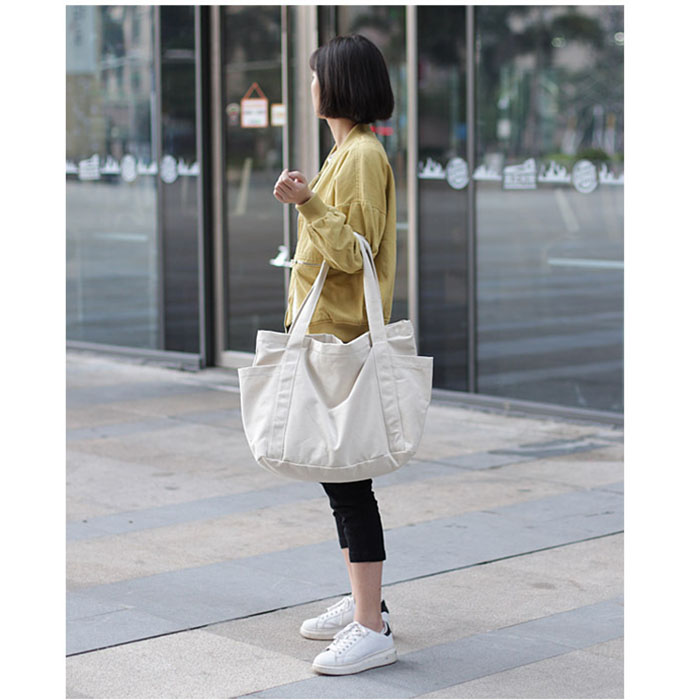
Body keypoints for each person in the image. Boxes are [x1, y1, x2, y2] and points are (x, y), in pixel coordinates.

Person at [272, 34, 397, 676]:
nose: (312, 85)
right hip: (330, 337)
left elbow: (355, 253)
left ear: (339, 84)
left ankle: (371, 626)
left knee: (350, 486)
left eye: (317, 75)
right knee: (339, 480)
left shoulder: (363, 156)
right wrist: (310, 198)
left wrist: (307, 203)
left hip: (344, 341)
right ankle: (363, 603)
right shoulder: (344, 151)